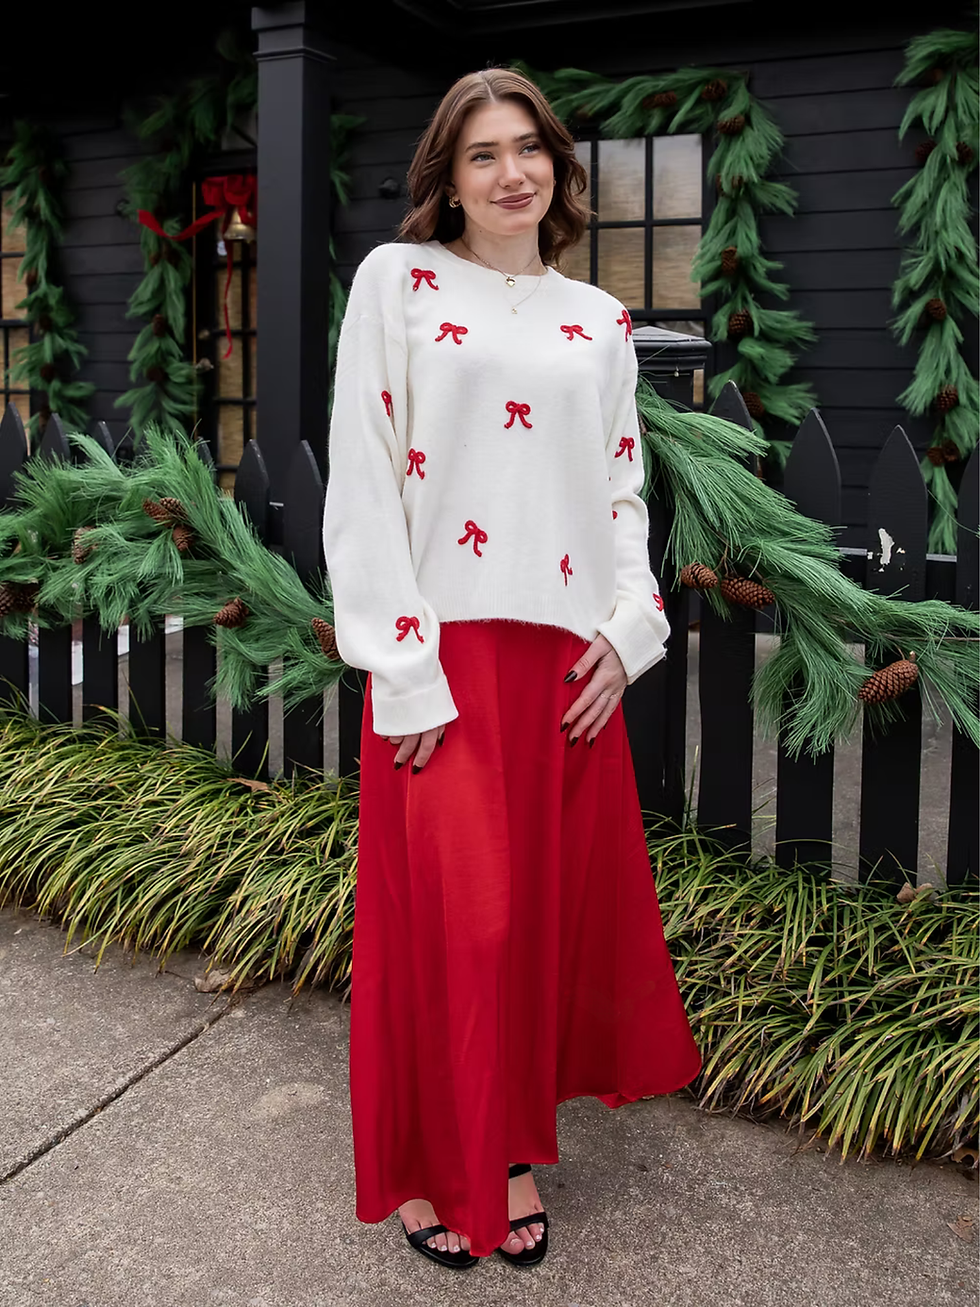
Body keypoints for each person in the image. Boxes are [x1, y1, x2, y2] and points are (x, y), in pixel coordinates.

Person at [321, 66, 702, 1271]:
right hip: (445, 655)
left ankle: (507, 1149)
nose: (508, 172)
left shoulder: (597, 319)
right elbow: (362, 472)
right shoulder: (399, 281)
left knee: (531, 928)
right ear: (447, 174)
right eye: (480, 153)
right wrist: (401, 664)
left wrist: (630, 629)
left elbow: (618, 485)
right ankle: (440, 1159)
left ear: (557, 165)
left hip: (562, 665)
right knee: (458, 926)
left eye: (526, 147)